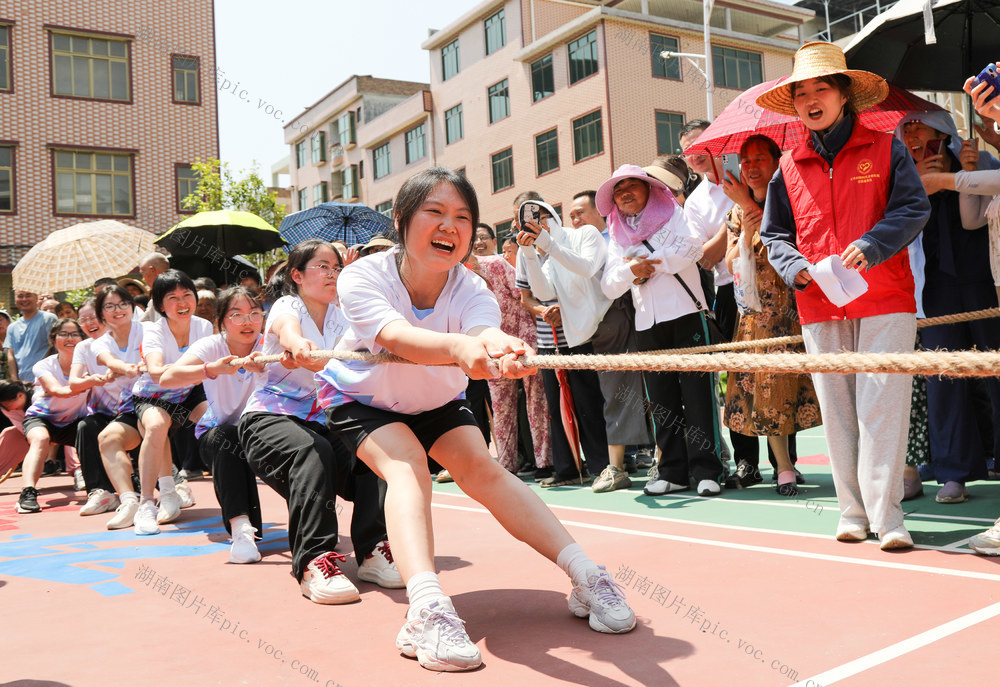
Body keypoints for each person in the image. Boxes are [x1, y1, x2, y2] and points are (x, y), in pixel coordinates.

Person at [317, 167, 634, 672]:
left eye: (463, 217)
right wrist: (463, 346)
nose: (450, 226)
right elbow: (396, 337)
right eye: (435, 213)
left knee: (485, 471)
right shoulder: (361, 276)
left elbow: (484, 331)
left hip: (437, 402)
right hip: (363, 400)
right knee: (407, 469)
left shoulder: (473, 288)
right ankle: (425, 608)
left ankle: (586, 573)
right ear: (400, 220)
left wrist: (501, 345)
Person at [757, 41, 930, 549]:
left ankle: (889, 517)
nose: (812, 99)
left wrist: (872, 244)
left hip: (886, 297)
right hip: (819, 302)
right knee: (838, 412)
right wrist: (795, 269)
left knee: (884, 407)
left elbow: (912, 209)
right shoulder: (787, 166)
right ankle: (852, 512)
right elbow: (774, 236)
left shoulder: (886, 146)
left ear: (843, 95)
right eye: (802, 92)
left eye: (821, 89)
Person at [238, 239, 398, 602]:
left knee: (373, 455)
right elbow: (288, 329)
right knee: (315, 451)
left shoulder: (345, 314)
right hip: (270, 419)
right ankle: (314, 560)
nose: (331, 273)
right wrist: (296, 346)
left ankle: (373, 550)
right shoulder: (287, 304)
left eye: (337, 267)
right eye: (322, 266)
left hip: (324, 418)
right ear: (297, 275)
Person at [599, 165, 725, 497]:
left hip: (685, 314)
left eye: (632, 186)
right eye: (619, 189)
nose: (625, 193)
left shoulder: (673, 213)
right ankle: (672, 471)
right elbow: (609, 285)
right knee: (661, 402)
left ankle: (707, 470)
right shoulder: (615, 232)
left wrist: (648, 265)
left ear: (649, 188)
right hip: (647, 324)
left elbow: (693, 250)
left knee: (698, 397)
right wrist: (631, 272)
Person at [896, 111, 1000, 504]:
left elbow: (973, 221)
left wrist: (965, 173)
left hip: (987, 284)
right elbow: (902, 224)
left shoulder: (979, 159)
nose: (914, 139)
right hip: (936, 287)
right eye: (907, 134)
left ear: (942, 132)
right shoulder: (903, 176)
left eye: (920, 130)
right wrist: (921, 184)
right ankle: (953, 473)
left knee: (996, 373)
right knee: (943, 379)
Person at [721, 135, 823, 496]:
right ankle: (783, 468)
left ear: (777, 161)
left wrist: (753, 208)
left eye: (759, 159)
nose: (750, 167)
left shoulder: (792, 197)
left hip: (799, 308)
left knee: (803, 390)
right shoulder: (735, 210)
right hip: (758, 315)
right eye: (744, 160)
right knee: (768, 390)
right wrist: (746, 224)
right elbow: (731, 260)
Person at [159, 287, 267, 564]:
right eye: (237, 315)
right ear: (221, 321)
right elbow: (167, 379)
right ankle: (241, 528)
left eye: (255, 313)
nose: (247, 322)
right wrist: (211, 369)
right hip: (218, 434)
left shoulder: (269, 345)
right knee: (226, 437)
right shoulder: (211, 346)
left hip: (263, 429)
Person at [101, 270, 211, 535]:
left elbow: (203, 371)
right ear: (160, 305)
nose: (182, 303)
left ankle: (231, 496)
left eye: (187, 295)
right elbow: (158, 373)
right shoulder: (152, 331)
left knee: (216, 423)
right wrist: (202, 367)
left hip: (190, 392)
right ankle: (146, 504)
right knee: (155, 425)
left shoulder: (204, 327)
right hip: (154, 394)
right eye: (173, 297)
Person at [516, 193, 612, 487]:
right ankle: (567, 468)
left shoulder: (583, 234)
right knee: (557, 406)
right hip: (555, 336)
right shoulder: (537, 250)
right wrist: (531, 253)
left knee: (590, 402)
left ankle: (601, 465)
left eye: (541, 218)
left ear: (552, 218)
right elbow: (541, 293)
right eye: (530, 221)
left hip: (589, 332)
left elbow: (584, 268)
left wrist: (547, 244)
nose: (536, 225)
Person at [568, 189, 653, 489]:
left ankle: (666, 456)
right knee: (616, 391)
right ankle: (617, 466)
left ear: (599, 214)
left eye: (580, 212)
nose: (575, 219)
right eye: (571, 215)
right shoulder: (576, 249)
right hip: (605, 327)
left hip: (642, 315)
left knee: (658, 387)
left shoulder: (618, 239)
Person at [16, 318, 111, 513]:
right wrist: (85, 382)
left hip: (75, 421)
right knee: (40, 439)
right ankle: (28, 492)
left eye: (75, 334)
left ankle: (105, 488)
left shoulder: (90, 365)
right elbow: (58, 391)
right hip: (42, 419)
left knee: (97, 432)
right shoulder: (43, 366)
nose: (70, 339)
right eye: (63, 334)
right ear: (54, 339)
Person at [476, 236, 552, 476]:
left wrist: (537, 338)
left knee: (536, 403)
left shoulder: (495, 265)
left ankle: (544, 462)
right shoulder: (453, 280)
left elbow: (524, 296)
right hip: (492, 348)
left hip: (523, 339)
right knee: (501, 408)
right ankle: (507, 465)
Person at [92, 286, 147, 529]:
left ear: (132, 306)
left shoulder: (149, 330)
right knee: (107, 438)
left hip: (168, 397)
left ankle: (170, 488)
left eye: (123, 303)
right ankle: (129, 500)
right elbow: (109, 360)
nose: (118, 310)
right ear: (101, 314)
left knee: (154, 425)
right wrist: (124, 368)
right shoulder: (99, 343)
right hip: (133, 403)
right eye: (109, 306)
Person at [70, 298, 129, 516]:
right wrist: (92, 380)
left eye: (93, 317)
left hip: (131, 409)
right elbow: (74, 383)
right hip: (103, 413)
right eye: (83, 320)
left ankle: (172, 483)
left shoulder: (121, 339)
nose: (89, 323)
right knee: (86, 427)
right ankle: (100, 491)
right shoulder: (83, 347)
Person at [4, 291, 57, 382]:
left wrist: (40, 373)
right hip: (22, 382)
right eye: (20, 296)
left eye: (28, 295)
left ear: (36, 298)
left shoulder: (48, 319)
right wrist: (15, 380)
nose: (24, 299)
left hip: (45, 379)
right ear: (15, 299)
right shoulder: (12, 327)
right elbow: (11, 355)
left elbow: (53, 346)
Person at [138, 253, 170, 322]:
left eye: (143, 274)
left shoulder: (173, 293)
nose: (143, 279)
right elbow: (143, 322)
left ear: (152, 270)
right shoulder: (156, 296)